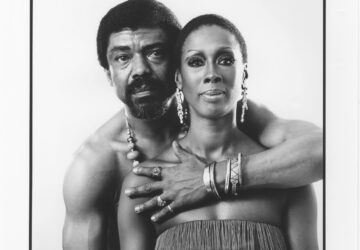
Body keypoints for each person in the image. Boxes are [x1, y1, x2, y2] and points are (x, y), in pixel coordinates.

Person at [62, 0, 322, 249]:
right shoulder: (93, 170)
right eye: (122, 57)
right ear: (108, 73)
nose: (140, 69)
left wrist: (208, 178)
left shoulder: (235, 110)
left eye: (155, 52)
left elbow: (323, 150)